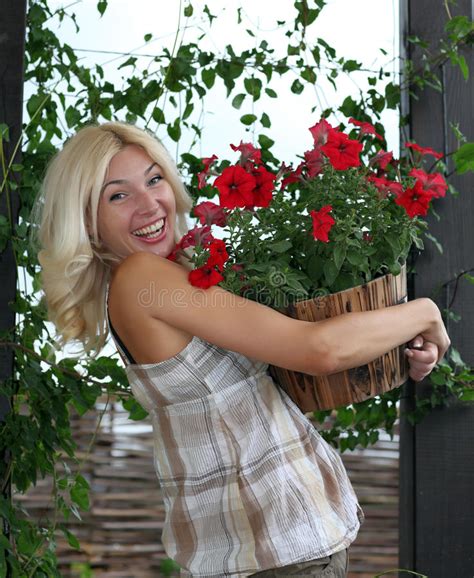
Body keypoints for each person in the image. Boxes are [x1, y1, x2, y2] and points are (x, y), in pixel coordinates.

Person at [34, 122, 450, 577]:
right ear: (89, 224)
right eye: (119, 195)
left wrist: (391, 348)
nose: (150, 203)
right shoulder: (141, 280)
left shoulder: (161, 282)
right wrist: (422, 312)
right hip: (281, 554)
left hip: (271, 551)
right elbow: (317, 349)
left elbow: (274, 386)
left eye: (154, 180)